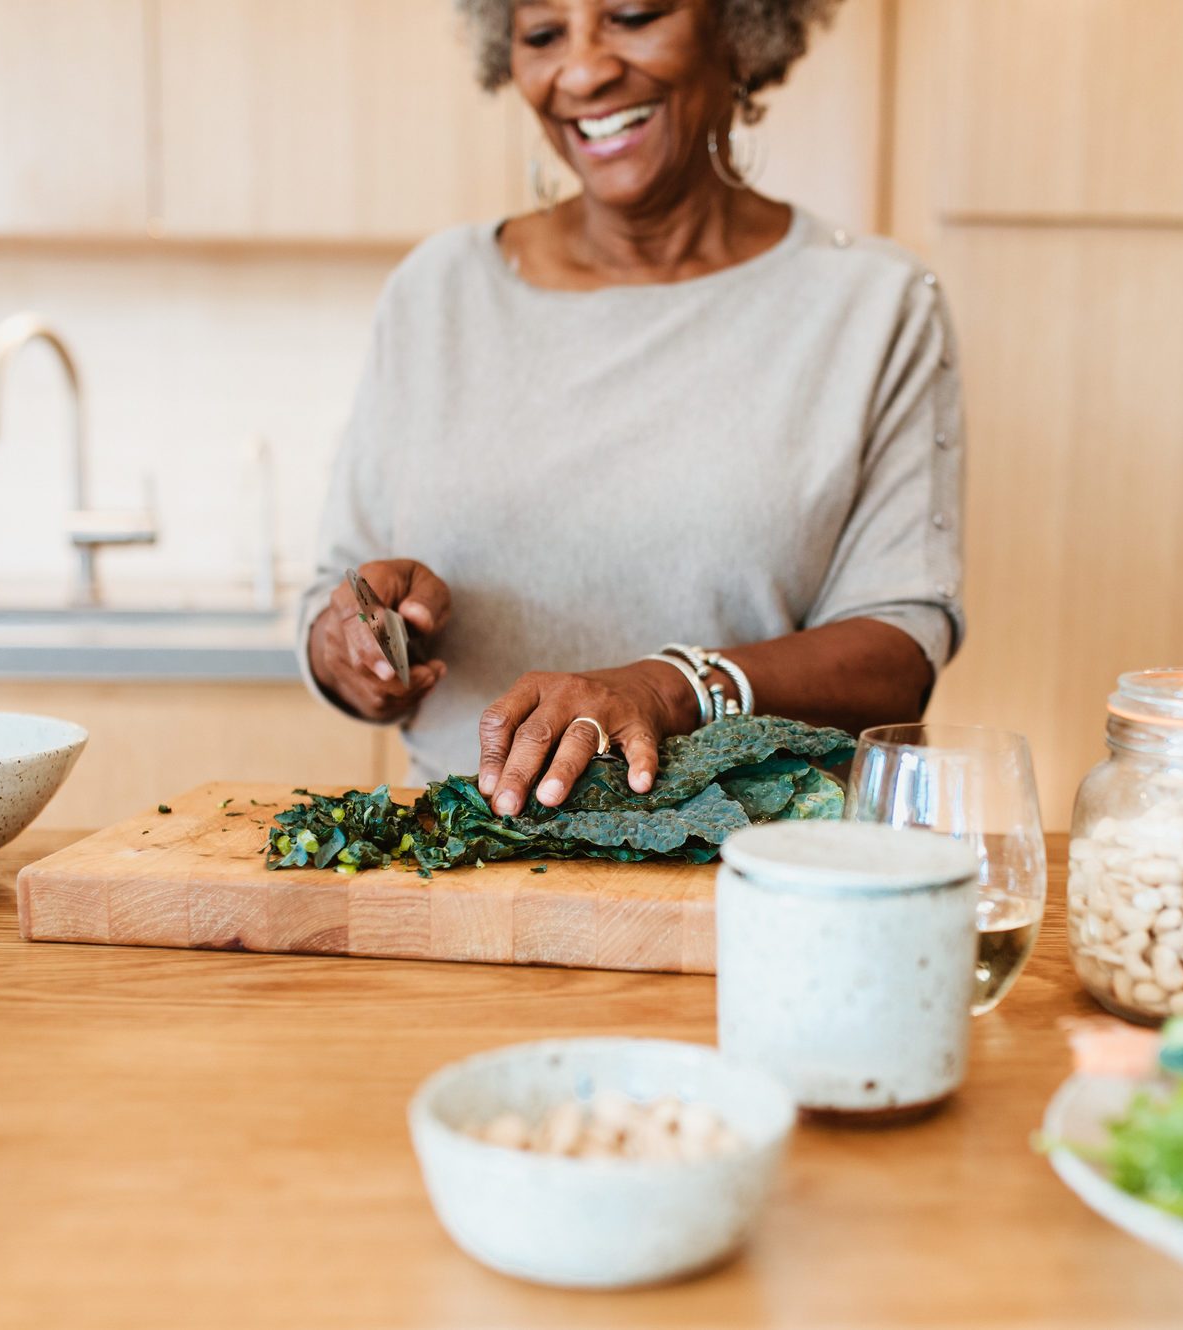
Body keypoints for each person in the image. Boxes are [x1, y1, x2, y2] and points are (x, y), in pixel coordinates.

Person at [298, 0, 964, 819]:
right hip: (463, 865)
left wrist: (670, 686)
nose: (581, 71)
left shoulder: (871, 304)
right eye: (542, 35)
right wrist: (356, 648)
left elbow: (898, 652)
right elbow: (334, 598)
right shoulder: (438, 290)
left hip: (756, 869)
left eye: (632, 15)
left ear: (738, 27)